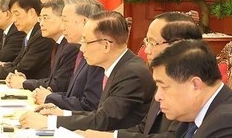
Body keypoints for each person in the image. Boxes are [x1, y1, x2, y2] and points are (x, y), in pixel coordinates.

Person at [20, 11, 155, 131]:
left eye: (85, 42)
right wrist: (63, 114)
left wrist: (48, 122)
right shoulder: (120, 66)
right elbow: (100, 113)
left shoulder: (131, 73)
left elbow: (104, 120)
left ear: (106, 45)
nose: (81, 48)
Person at [78, 12, 202, 138]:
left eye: (152, 43)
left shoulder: (190, 86)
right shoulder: (162, 79)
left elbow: (171, 136)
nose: (146, 50)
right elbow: (144, 128)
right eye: (146, 42)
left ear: (178, 46)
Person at [152, 40, 232, 137]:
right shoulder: (194, 112)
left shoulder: (231, 125)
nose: (157, 97)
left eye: (163, 87)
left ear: (195, 85)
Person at [39, 0, 105, 111]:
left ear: (84, 22)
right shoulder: (81, 50)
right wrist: (52, 100)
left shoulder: (99, 56)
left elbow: (90, 105)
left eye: (65, 20)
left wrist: (50, 97)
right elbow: (73, 95)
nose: (62, 26)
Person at [8, 0, 79, 94]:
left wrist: (24, 83)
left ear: (62, 19)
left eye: (46, 18)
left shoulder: (71, 47)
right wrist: (25, 80)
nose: (41, 23)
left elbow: (58, 85)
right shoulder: (59, 44)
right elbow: (51, 79)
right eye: (40, 19)